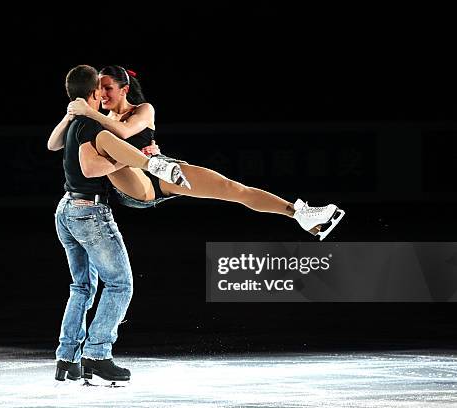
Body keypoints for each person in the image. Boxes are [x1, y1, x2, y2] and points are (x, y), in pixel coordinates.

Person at [57, 65, 345, 240]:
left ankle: (301, 215)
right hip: (134, 185)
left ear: (124, 88)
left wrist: (89, 114)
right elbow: (79, 141)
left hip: (163, 169)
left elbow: (124, 132)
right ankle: (148, 164)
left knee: (234, 189)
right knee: (113, 149)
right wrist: (78, 113)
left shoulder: (144, 111)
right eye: (99, 90)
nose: (102, 94)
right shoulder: (97, 121)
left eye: (107, 88)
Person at [51, 65, 142, 385]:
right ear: (92, 93)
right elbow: (91, 169)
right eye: (100, 89)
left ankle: (67, 359)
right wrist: (133, 159)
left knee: (82, 286)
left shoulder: (78, 119)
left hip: (66, 210)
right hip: (89, 214)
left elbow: (52, 145)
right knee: (120, 284)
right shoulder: (89, 122)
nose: (104, 94)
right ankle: (97, 354)